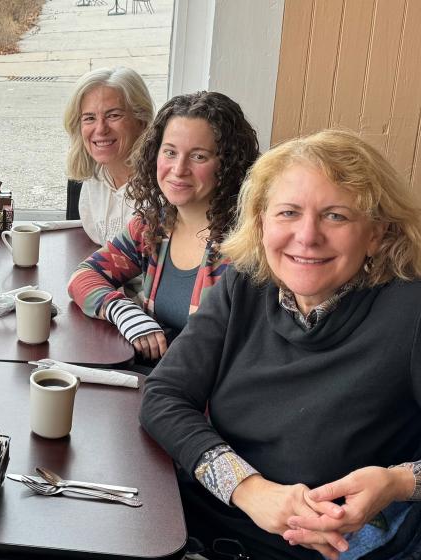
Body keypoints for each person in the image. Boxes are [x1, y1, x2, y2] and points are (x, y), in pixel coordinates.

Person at [140, 129, 421, 559]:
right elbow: (164, 396)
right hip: (202, 524)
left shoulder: (411, 310)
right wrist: (249, 490)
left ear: (376, 234)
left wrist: (398, 483)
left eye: (336, 216)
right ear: (261, 221)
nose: (307, 237)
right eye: (288, 212)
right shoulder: (244, 284)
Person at [67, 91, 259, 361]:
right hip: (154, 381)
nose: (178, 169)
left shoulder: (246, 246)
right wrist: (123, 311)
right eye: (170, 152)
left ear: (228, 163)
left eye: (199, 157)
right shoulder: (153, 225)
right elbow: (84, 276)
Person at [63, 66, 154, 244]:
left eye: (113, 115)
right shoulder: (91, 177)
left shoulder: (163, 186)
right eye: (89, 118)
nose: (101, 129)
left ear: (141, 120)